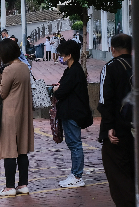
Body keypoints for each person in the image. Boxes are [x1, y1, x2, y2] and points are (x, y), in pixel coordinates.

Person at [0, 39, 34, 196]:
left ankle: (9, 187)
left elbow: (2, 93)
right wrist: (1, 75)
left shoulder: (10, 70)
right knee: (22, 150)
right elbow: (14, 86)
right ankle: (23, 185)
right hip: (23, 113)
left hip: (10, 114)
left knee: (9, 150)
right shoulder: (24, 67)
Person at [98, 34, 135, 206]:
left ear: (112, 48)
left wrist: (108, 126)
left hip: (119, 130)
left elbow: (105, 100)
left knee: (119, 174)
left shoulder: (110, 67)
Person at [52, 40, 92, 188]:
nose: (60, 58)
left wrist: (57, 90)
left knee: (75, 144)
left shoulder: (74, 71)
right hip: (70, 112)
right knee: (73, 143)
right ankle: (75, 174)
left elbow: (61, 91)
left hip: (73, 113)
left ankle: (77, 175)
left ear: (69, 55)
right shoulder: (71, 70)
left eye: (62, 55)